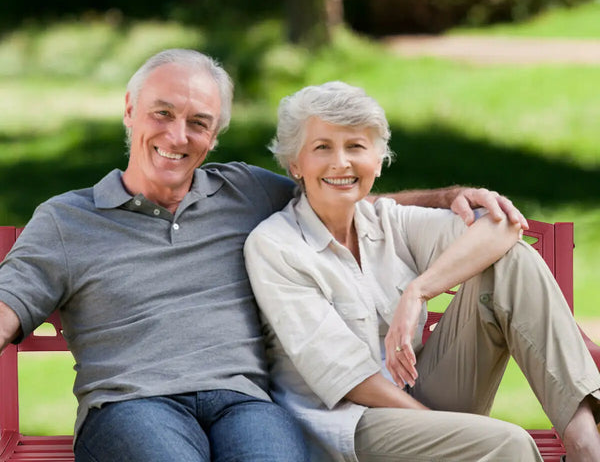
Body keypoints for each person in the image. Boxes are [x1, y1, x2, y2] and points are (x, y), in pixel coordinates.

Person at [0, 50, 525, 462]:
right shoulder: (67, 220)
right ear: (130, 110)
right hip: (132, 404)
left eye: (199, 122)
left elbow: (339, 190)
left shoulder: (244, 192)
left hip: (244, 403)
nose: (178, 136)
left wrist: (444, 197)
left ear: (215, 134)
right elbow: (9, 304)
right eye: (162, 113)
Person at [244, 81, 600, 462]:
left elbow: (503, 227)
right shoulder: (275, 247)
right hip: (351, 427)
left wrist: (419, 290)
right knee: (507, 444)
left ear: (378, 161)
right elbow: (350, 381)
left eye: (356, 147)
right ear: (294, 164)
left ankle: (584, 445)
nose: (341, 162)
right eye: (322, 147)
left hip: (422, 392)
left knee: (509, 262)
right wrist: (445, 432)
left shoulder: (386, 221)